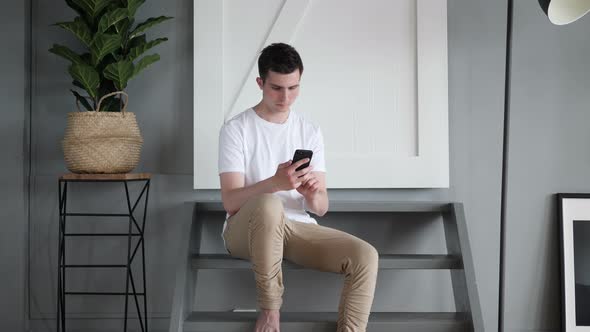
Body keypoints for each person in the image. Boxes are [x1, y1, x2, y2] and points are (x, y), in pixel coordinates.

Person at [218, 42, 379, 332]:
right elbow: (230, 201)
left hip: (295, 227)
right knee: (270, 204)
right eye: (277, 88)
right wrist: (273, 184)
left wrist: (314, 193)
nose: (286, 97)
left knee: (366, 256)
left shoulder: (309, 130)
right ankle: (270, 312)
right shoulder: (236, 129)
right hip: (247, 229)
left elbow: (321, 208)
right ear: (260, 83)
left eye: (293, 88)